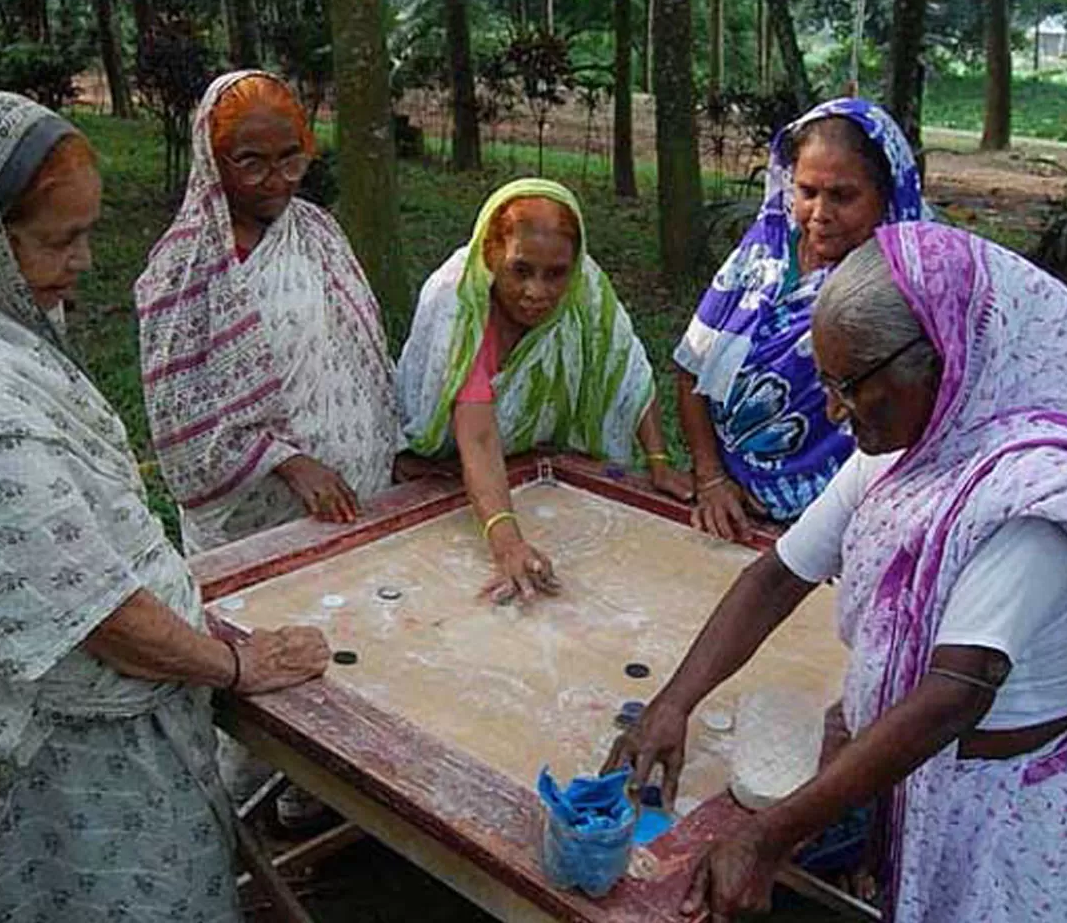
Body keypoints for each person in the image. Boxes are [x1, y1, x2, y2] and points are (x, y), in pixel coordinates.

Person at [609, 223, 1067, 922]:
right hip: (926, 787)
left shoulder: (1035, 493)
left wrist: (768, 836)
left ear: (939, 356)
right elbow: (777, 577)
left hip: (1012, 821)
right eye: (826, 383)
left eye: (851, 386)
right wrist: (673, 703)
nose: (835, 412)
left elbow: (955, 693)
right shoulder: (905, 451)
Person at [0, 91, 332, 921]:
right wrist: (239, 667)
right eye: (58, 240)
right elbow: (95, 615)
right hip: (69, 772)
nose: (85, 261)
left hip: (98, 737)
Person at [137, 70, 399, 554]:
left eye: (290, 159)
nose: (276, 181)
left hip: (354, 494)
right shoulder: (185, 264)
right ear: (213, 160)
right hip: (254, 520)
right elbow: (178, 417)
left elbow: (362, 350)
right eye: (251, 164)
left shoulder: (319, 231)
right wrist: (287, 462)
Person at [397, 178, 693, 602]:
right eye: (521, 270)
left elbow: (625, 365)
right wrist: (508, 544)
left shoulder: (584, 284)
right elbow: (478, 434)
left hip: (522, 458)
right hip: (444, 456)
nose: (537, 292)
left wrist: (659, 462)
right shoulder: (457, 303)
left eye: (555, 274)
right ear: (491, 253)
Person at [674, 99, 926, 542]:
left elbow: (907, 434)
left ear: (887, 195)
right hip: (730, 511)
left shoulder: (909, 288)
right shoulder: (762, 252)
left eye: (843, 196)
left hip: (844, 530)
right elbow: (690, 367)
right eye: (807, 191)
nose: (820, 214)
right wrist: (711, 478)